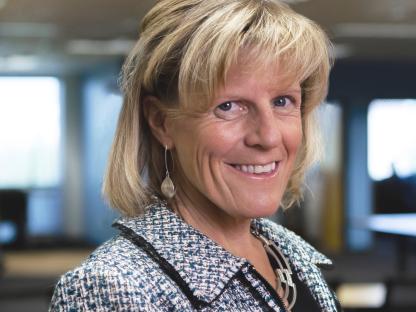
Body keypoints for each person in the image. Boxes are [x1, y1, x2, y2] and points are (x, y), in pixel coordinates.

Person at [50, 0, 341, 311]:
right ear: (161, 122)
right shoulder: (115, 288)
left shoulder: (289, 252)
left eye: (283, 101)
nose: (268, 136)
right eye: (228, 106)